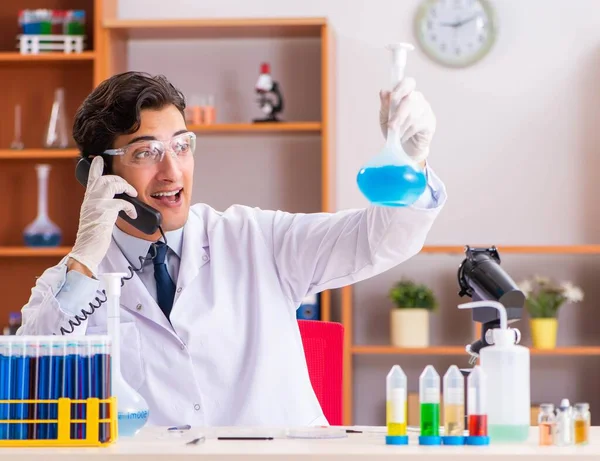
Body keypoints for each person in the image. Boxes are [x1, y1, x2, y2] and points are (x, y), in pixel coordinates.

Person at [18, 71, 446, 427]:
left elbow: (377, 242)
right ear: (95, 173)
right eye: (147, 152)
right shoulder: (70, 282)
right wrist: (86, 258)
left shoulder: (256, 238)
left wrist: (411, 165)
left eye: (182, 146)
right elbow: (32, 379)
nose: (172, 171)